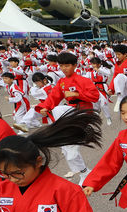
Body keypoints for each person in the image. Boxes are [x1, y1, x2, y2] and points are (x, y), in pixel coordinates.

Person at [35, 52, 100, 186]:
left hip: (84, 113)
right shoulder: (62, 82)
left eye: (67, 65)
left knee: (58, 110)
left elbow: (95, 96)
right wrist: (45, 107)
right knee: (66, 147)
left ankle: (74, 137)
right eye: (61, 66)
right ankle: (84, 172)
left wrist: (77, 93)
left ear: (75, 65)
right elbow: (53, 97)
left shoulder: (83, 80)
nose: (64, 68)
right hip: (70, 112)